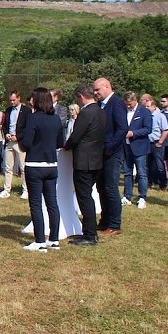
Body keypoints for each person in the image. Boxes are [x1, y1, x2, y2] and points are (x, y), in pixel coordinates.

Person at [18, 88, 64, 252]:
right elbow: (60, 142)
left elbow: (27, 142)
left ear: (37, 101)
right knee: (52, 203)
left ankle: (39, 241)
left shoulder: (33, 118)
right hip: (52, 165)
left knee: (36, 204)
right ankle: (54, 239)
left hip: (35, 166)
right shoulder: (57, 119)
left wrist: (21, 142)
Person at [63, 84, 107, 246]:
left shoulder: (86, 113)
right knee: (87, 195)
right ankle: (89, 231)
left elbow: (76, 137)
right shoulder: (101, 112)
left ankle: (90, 234)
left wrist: (65, 146)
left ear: (81, 96)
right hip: (96, 160)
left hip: (84, 161)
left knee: (84, 197)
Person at [93, 77, 128, 236]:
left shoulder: (117, 103)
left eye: (97, 90)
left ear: (106, 87)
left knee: (111, 187)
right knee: (101, 187)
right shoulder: (101, 105)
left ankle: (115, 224)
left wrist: (109, 148)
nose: (95, 93)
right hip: (101, 152)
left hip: (112, 153)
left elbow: (122, 129)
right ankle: (105, 220)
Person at [121, 92, 153, 210]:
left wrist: (133, 133)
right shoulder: (123, 111)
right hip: (126, 146)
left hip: (139, 146)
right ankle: (127, 196)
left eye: (130, 104)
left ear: (135, 100)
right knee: (127, 172)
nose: (128, 106)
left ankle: (142, 197)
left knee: (141, 173)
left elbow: (148, 129)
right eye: (126, 104)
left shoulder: (144, 112)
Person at [0, 91, 30, 199]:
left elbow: (27, 127)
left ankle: (25, 190)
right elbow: (5, 124)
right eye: (10, 100)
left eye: (14, 100)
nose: (12, 102)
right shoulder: (8, 110)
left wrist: (18, 136)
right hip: (9, 141)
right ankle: (6, 189)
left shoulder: (26, 111)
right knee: (8, 167)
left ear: (19, 98)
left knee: (23, 167)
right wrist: (7, 133)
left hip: (20, 143)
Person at [143, 97, 168, 190]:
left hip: (156, 143)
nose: (146, 108)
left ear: (154, 107)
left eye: (148, 106)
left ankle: (163, 184)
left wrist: (160, 142)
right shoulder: (145, 116)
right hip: (146, 143)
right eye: (145, 106)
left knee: (159, 165)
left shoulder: (160, 116)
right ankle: (149, 183)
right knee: (147, 165)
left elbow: (165, 130)